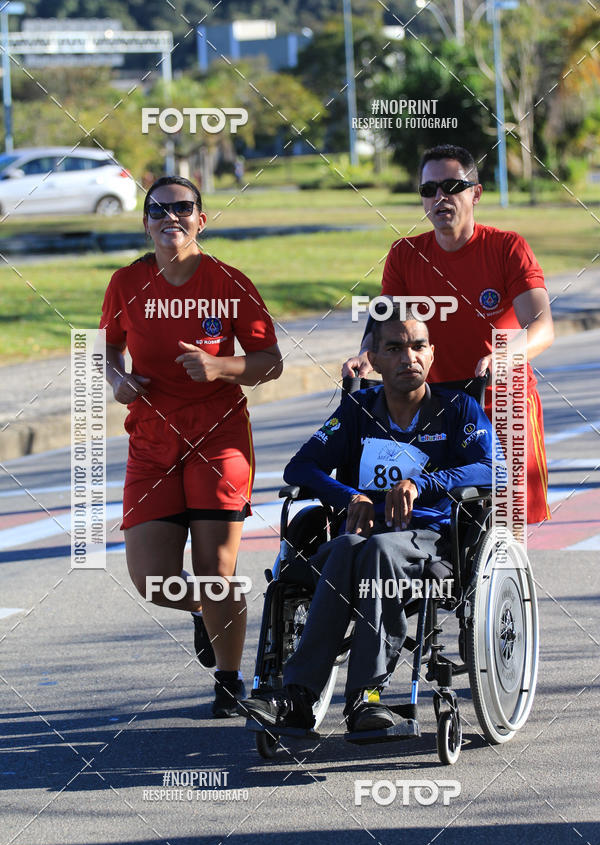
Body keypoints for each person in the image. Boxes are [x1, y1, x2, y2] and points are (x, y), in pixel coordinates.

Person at [242, 311, 494, 735]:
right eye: (393, 348)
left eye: (417, 346)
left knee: (371, 550)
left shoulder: (458, 408)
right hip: (360, 540)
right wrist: (348, 496)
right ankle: (298, 696)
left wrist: (422, 483)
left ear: (432, 354)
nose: (407, 357)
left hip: (427, 539)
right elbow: (300, 467)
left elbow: (492, 469)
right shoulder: (358, 410)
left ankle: (367, 695)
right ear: (373, 358)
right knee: (345, 547)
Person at [99, 175, 283, 717]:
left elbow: (270, 362)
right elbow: (106, 350)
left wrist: (219, 367)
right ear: (146, 222)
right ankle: (210, 613)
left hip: (217, 434)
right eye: (158, 209)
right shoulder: (125, 283)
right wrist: (117, 382)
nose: (169, 217)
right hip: (152, 440)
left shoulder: (228, 281)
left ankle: (229, 680)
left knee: (215, 571)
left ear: (201, 219)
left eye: (182, 207)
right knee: (152, 582)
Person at [343, 144, 554, 524]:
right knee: (439, 523)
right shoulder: (405, 254)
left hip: (501, 406)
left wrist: (503, 356)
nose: (440, 197)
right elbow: (383, 320)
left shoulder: (508, 248)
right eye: (429, 189)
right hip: (438, 413)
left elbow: (541, 328)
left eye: (452, 186)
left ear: (476, 193)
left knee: (506, 530)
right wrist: (365, 355)